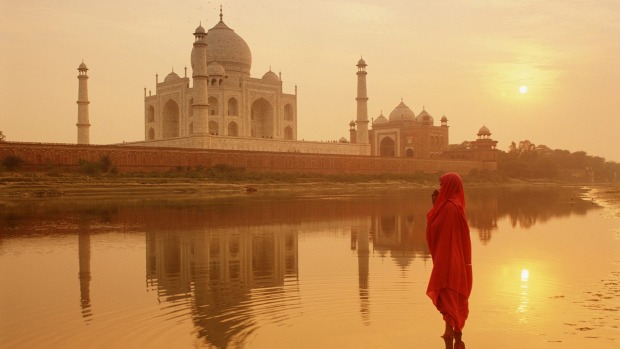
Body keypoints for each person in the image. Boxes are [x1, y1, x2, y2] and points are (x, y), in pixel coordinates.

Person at [426, 173, 472, 346]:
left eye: (442, 184)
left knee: (448, 291)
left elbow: (438, 230)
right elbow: (439, 228)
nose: (440, 188)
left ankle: (451, 331)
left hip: (449, 258)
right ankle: (454, 330)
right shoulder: (454, 206)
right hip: (454, 258)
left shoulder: (450, 207)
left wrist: (436, 208)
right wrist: (435, 206)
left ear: (450, 186)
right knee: (451, 292)